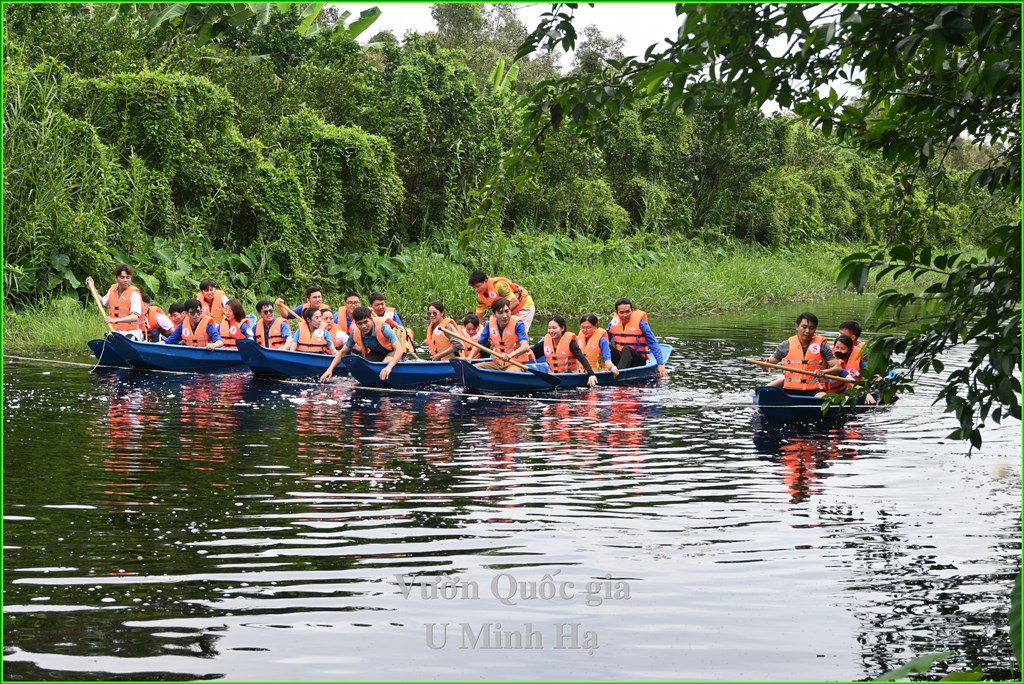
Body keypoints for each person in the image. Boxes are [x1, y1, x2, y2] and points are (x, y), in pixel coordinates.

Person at [320, 306, 405, 382]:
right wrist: (329, 370)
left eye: (366, 322)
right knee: (363, 368)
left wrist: (389, 367)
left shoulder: (384, 328)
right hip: (376, 353)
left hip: (392, 352)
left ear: (371, 320)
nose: (363, 326)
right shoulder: (355, 333)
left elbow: (399, 349)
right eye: (359, 323)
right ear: (356, 323)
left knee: (383, 366)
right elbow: (343, 352)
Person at [765, 312, 843, 394]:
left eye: (811, 328)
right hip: (790, 389)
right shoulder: (786, 345)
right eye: (804, 327)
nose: (807, 331)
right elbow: (768, 365)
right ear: (797, 326)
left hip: (815, 390)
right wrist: (764, 365)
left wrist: (823, 372)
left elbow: (838, 369)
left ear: (815, 329)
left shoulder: (822, 346)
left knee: (822, 397)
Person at [529, 315, 598, 387]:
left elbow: (582, 358)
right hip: (553, 377)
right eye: (549, 328)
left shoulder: (570, 343)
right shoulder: (545, 343)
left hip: (570, 377)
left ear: (562, 328)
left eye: (554, 328)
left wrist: (591, 374)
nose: (551, 331)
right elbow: (531, 353)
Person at [607, 298, 668, 378]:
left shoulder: (641, 324)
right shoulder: (613, 324)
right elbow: (604, 342)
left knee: (627, 349)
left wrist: (660, 364)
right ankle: (605, 370)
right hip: (621, 359)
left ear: (632, 310)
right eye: (621, 312)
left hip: (637, 360)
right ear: (616, 313)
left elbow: (653, 343)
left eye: (627, 311)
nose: (625, 315)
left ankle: (617, 374)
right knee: (605, 345)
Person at [467, 298, 531, 372]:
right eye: (500, 313)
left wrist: (510, 355)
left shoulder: (518, 324)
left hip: (516, 363)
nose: (505, 316)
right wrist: (470, 357)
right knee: (471, 368)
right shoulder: (489, 324)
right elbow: (479, 344)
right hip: (498, 363)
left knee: (508, 373)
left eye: (507, 311)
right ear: (494, 315)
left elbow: (525, 346)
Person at [816, 334, 878, 405]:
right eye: (837, 348)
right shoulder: (828, 359)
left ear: (849, 350)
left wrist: (867, 393)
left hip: (845, 392)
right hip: (824, 392)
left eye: (843, 349)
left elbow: (854, 381)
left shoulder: (856, 361)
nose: (839, 351)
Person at [85, 265, 143, 341]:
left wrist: (114, 320)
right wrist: (93, 288)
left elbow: (135, 317)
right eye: (122, 277)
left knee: (127, 342)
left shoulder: (134, 294)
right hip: (115, 331)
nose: (125, 280)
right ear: (116, 278)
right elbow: (102, 303)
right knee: (106, 343)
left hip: (131, 332)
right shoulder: (112, 290)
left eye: (128, 277)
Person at [468, 269, 536, 334]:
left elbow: (515, 302)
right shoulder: (480, 297)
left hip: (524, 307)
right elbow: (479, 317)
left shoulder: (499, 286)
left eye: (478, 286)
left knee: (519, 332)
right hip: (508, 312)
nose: (476, 290)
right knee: (500, 332)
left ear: (485, 281)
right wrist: (476, 330)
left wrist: (499, 315)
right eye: (474, 288)